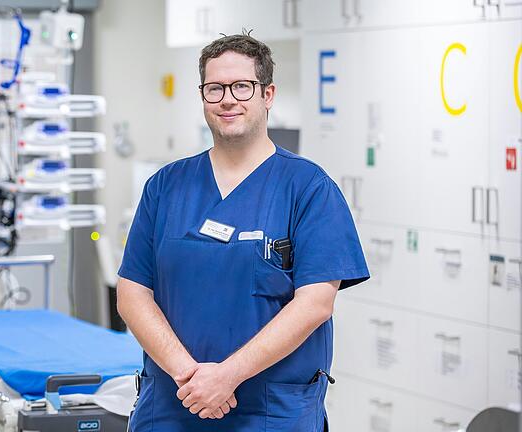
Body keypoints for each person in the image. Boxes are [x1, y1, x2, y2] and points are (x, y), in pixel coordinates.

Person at [116, 33, 370, 432]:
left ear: (267, 94)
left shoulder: (308, 188)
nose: (227, 99)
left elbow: (316, 303)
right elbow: (132, 293)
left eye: (241, 87)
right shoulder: (165, 186)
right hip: (173, 406)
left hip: (269, 413)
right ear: (202, 96)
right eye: (214, 88)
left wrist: (226, 377)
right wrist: (190, 377)